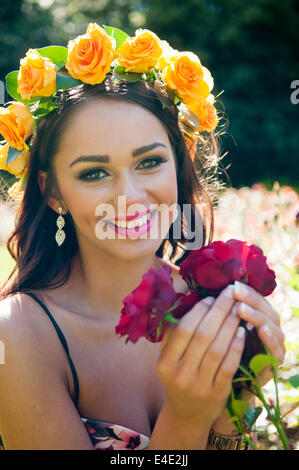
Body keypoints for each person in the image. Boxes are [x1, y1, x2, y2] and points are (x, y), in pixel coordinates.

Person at [0, 26, 285, 450]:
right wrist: (187, 417)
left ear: (180, 163)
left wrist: (237, 406)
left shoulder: (214, 304)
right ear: (52, 190)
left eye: (150, 162)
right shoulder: (17, 337)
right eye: (94, 173)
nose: (129, 197)